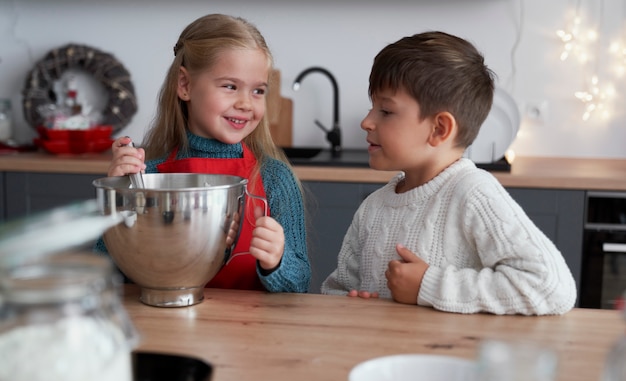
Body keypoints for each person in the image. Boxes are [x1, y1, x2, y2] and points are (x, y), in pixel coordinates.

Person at [321, 31, 577, 315]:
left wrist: (429, 285)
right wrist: (349, 303)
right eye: (372, 108)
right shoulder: (373, 207)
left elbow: (551, 286)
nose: (366, 121)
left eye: (386, 111)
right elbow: (337, 289)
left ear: (439, 129)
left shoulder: (474, 193)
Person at [96, 13, 311, 293]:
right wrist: (118, 199)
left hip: (254, 334)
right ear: (185, 85)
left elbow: (301, 285)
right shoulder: (145, 177)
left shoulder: (275, 178)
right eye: (230, 86)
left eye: (258, 91)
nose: (246, 103)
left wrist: (278, 262)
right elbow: (105, 273)